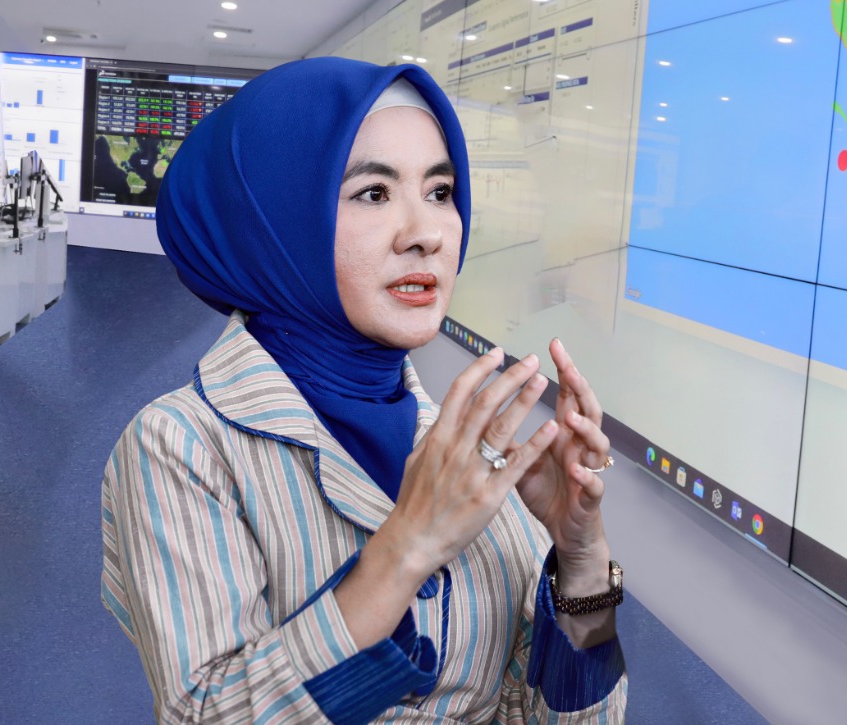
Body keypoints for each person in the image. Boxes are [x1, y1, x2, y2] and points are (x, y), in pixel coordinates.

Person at [100, 58, 627, 723]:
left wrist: (581, 561)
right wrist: (407, 546)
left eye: (440, 191)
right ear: (276, 223)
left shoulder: (464, 445)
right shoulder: (180, 445)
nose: (428, 234)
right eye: (374, 194)